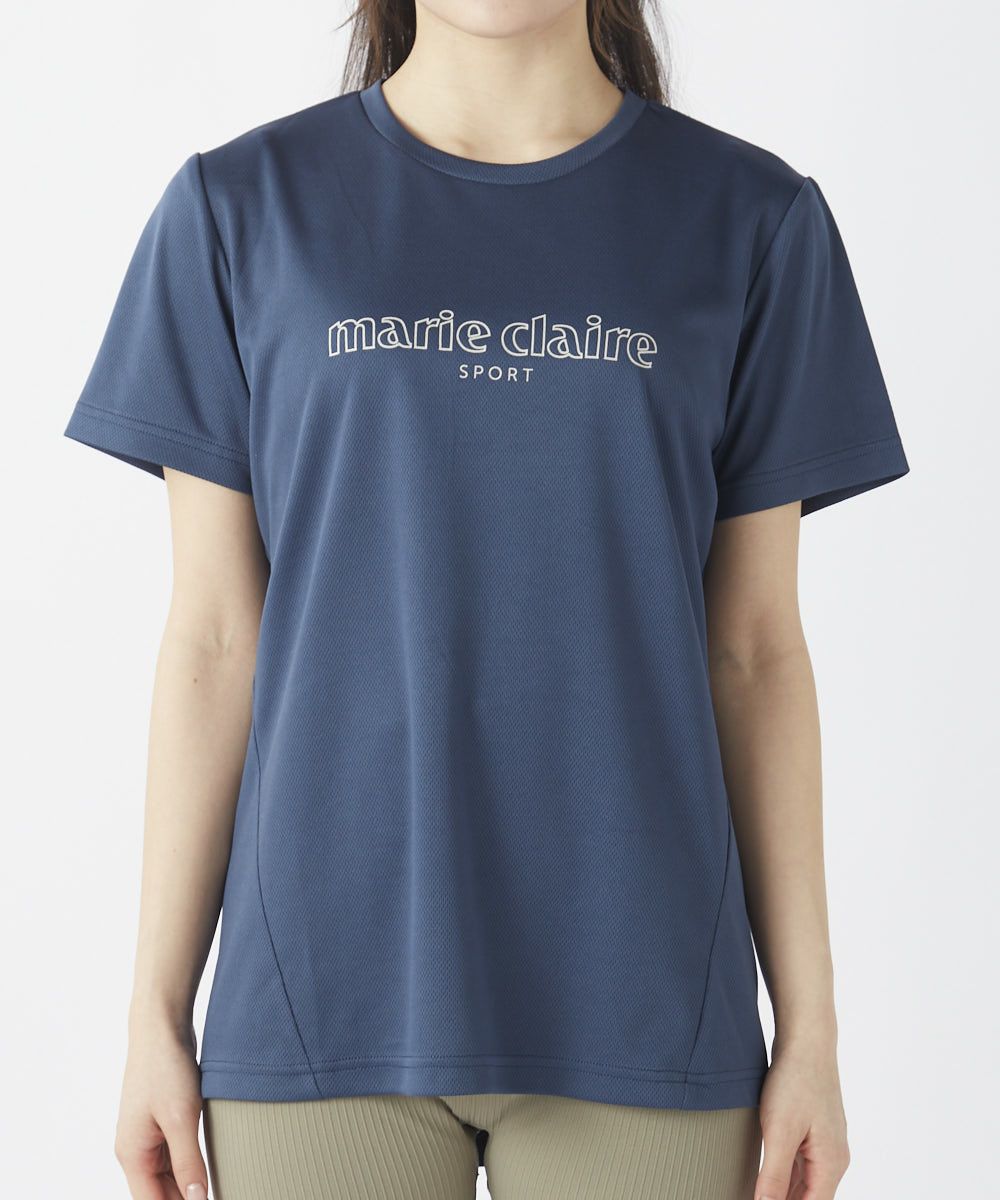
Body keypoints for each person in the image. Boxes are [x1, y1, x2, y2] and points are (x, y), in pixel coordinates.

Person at [62, 1, 910, 1197]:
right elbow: (212, 641)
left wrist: (811, 1029)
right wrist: (153, 1011)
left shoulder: (752, 219)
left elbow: (756, 651)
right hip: (321, 1004)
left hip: (649, 1002)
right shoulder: (240, 209)